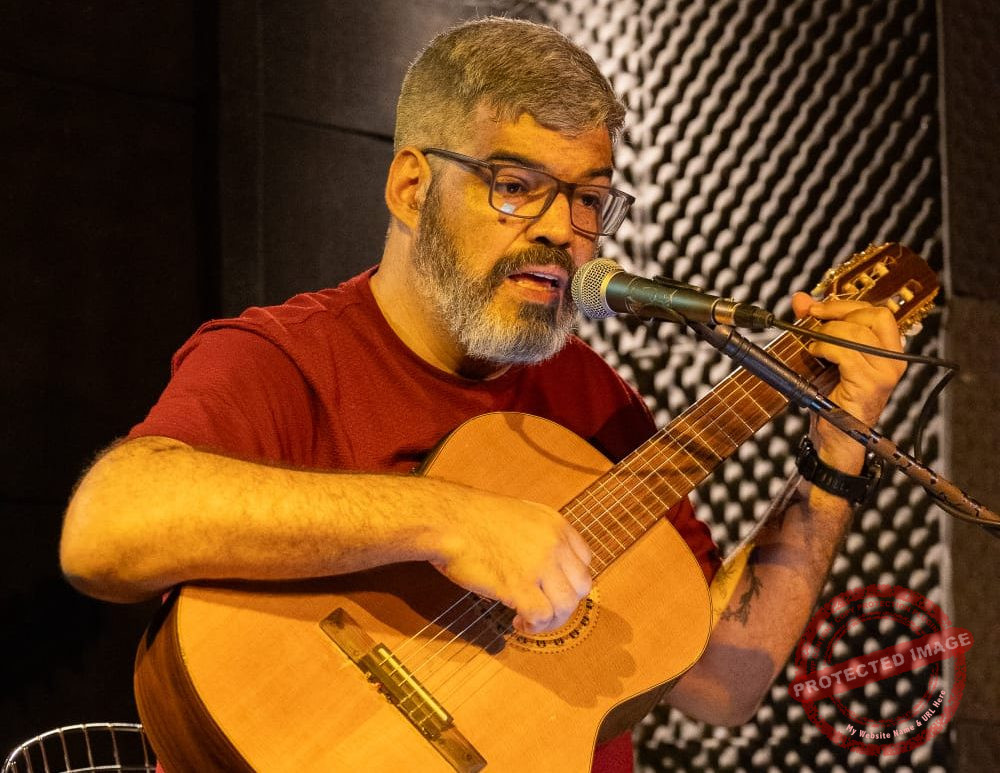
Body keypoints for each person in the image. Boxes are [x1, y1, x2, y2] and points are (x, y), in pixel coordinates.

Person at [59, 16, 906, 772]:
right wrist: (450, 520)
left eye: (587, 198)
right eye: (515, 185)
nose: (558, 229)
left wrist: (839, 448)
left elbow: (721, 683)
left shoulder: (595, 403)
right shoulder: (287, 356)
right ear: (411, 187)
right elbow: (107, 529)